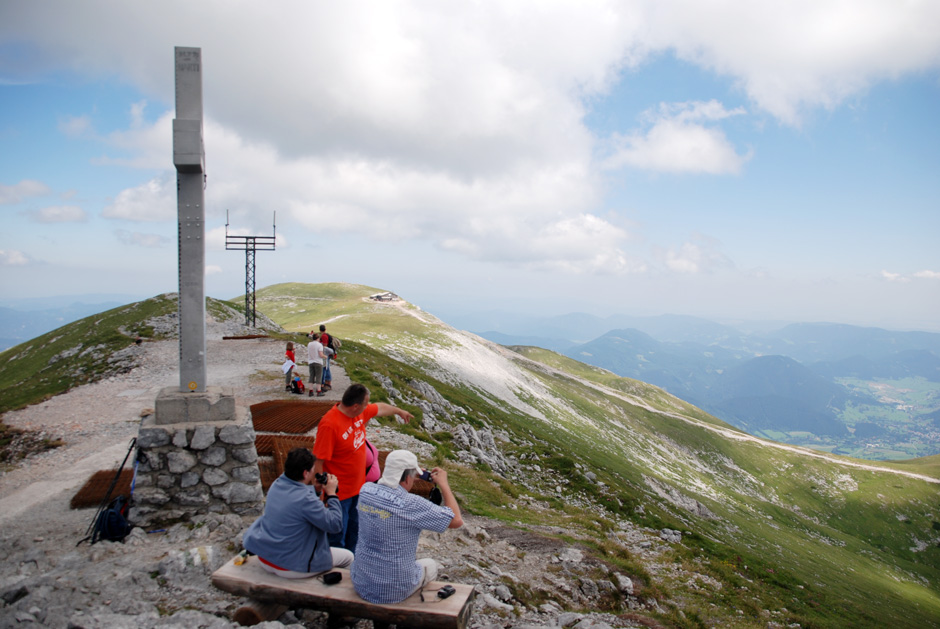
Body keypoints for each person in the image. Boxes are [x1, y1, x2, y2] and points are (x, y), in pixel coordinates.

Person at [351, 450, 464, 604]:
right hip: (394, 589)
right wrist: (444, 485)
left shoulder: (365, 491)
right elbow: (456, 520)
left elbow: (387, 488)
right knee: (430, 565)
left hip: (362, 581)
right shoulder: (412, 504)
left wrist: (407, 479)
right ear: (407, 477)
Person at [312, 383, 414, 553]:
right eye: (366, 404)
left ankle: (352, 561)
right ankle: (336, 568)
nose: (368, 407)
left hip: (359, 489)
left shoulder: (359, 414)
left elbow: (379, 408)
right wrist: (320, 490)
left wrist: (399, 411)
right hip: (339, 494)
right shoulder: (330, 425)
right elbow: (318, 461)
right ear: (355, 406)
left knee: (355, 530)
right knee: (338, 534)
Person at [242, 447, 353, 578]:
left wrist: (316, 490)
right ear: (306, 473)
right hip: (291, 567)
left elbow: (296, 501)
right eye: (313, 469)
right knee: (348, 557)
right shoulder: (306, 499)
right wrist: (332, 494)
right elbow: (335, 525)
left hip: (266, 557)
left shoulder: (276, 484)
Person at [306, 333, 327, 397]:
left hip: (311, 361)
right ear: (318, 338)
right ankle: (318, 391)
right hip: (318, 362)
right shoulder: (319, 345)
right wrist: (325, 356)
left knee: (311, 376)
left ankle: (310, 391)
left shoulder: (309, 344)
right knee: (318, 376)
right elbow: (320, 355)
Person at [319, 324, 334, 390]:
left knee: (326, 368)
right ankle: (327, 381)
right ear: (325, 329)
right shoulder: (325, 335)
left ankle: (328, 382)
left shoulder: (324, 336)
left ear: (320, 330)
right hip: (326, 354)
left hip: (325, 354)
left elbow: (325, 346)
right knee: (326, 367)